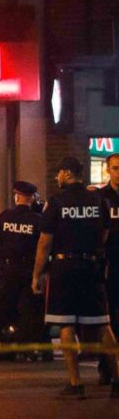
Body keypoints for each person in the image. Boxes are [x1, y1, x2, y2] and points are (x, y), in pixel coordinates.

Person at [31, 156, 119, 399]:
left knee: (66, 324)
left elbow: (44, 242)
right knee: (103, 323)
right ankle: (118, 381)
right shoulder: (98, 200)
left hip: (64, 267)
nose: (57, 177)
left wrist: (37, 274)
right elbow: (104, 232)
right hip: (91, 267)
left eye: (59, 173)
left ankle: (76, 383)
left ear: (68, 173)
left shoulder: (56, 202)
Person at [0, 181, 44, 358]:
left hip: (7, 271)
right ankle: (26, 352)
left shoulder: (4, 216)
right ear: (32, 198)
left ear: (16, 196)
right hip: (27, 271)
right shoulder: (36, 220)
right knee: (27, 312)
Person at [96, 153, 119, 384]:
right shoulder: (101, 198)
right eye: (115, 168)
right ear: (108, 170)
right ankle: (107, 367)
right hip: (108, 267)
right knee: (108, 319)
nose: (118, 173)